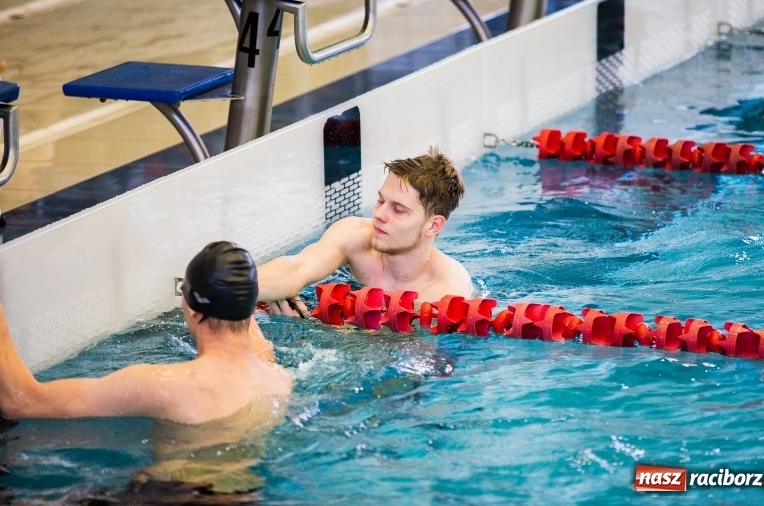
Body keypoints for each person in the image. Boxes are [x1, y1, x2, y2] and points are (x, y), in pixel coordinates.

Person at [0, 241, 293, 424]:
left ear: (191, 308)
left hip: (173, 495)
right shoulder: (277, 377)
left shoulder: (163, 385)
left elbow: (21, 401)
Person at [258, 147, 474, 316]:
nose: (380, 214)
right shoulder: (355, 234)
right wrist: (230, 286)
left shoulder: (447, 292)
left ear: (433, 225)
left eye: (398, 210)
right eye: (380, 200)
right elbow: (296, 269)